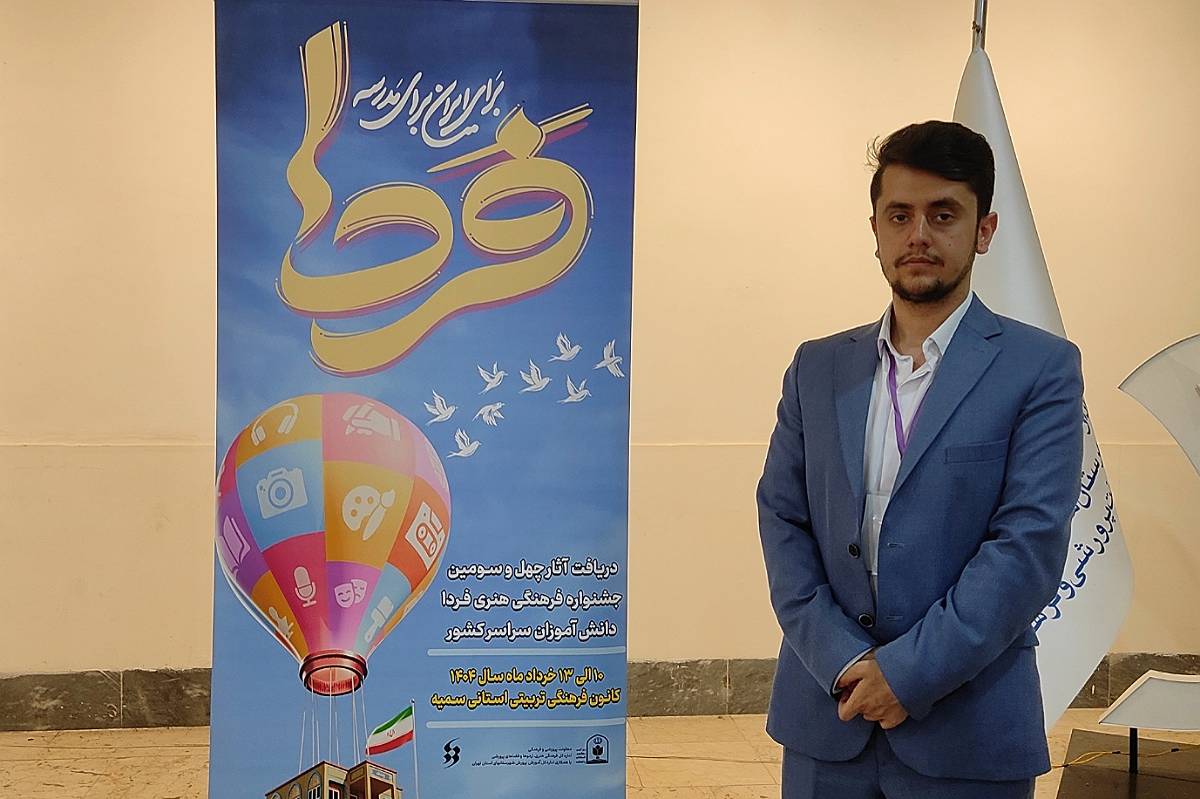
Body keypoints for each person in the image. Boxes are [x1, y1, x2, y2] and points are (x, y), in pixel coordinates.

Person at [756, 120, 1083, 799]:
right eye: (899, 215)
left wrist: (906, 673)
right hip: (829, 720)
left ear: (984, 230)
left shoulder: (1040, 369)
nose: (918, 235)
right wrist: (844, 660)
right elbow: (783, 520)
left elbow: (1026, 548)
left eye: (944, 214)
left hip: (967, 726)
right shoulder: (817, 368)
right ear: (875, 229)